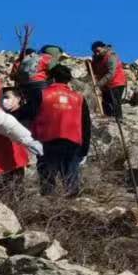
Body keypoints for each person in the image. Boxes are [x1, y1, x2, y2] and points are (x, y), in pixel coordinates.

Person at [34, 65, 93, 196]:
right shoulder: (79, 98)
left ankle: (49, 203)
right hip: (73, 142)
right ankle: (72, 203)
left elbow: (30, 114)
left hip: (47, 141)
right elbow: (86, 125)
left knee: (47, 181)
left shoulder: (42, 95)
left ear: (52, 78)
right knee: (71, 179)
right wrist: (85, 149)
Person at [90, 41, 127, 122]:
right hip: (106, 84)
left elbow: (111, 73)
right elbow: (93, 71)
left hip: (116, 82)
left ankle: (118, 119)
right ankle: (108, 118)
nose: (96, 53)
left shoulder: (111, 56)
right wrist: (90, 63)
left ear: (103, 48)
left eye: (98, 51)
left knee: (115, 102)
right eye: (94, 52)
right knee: (105, 102)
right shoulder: (97, 59)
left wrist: (99, 84)